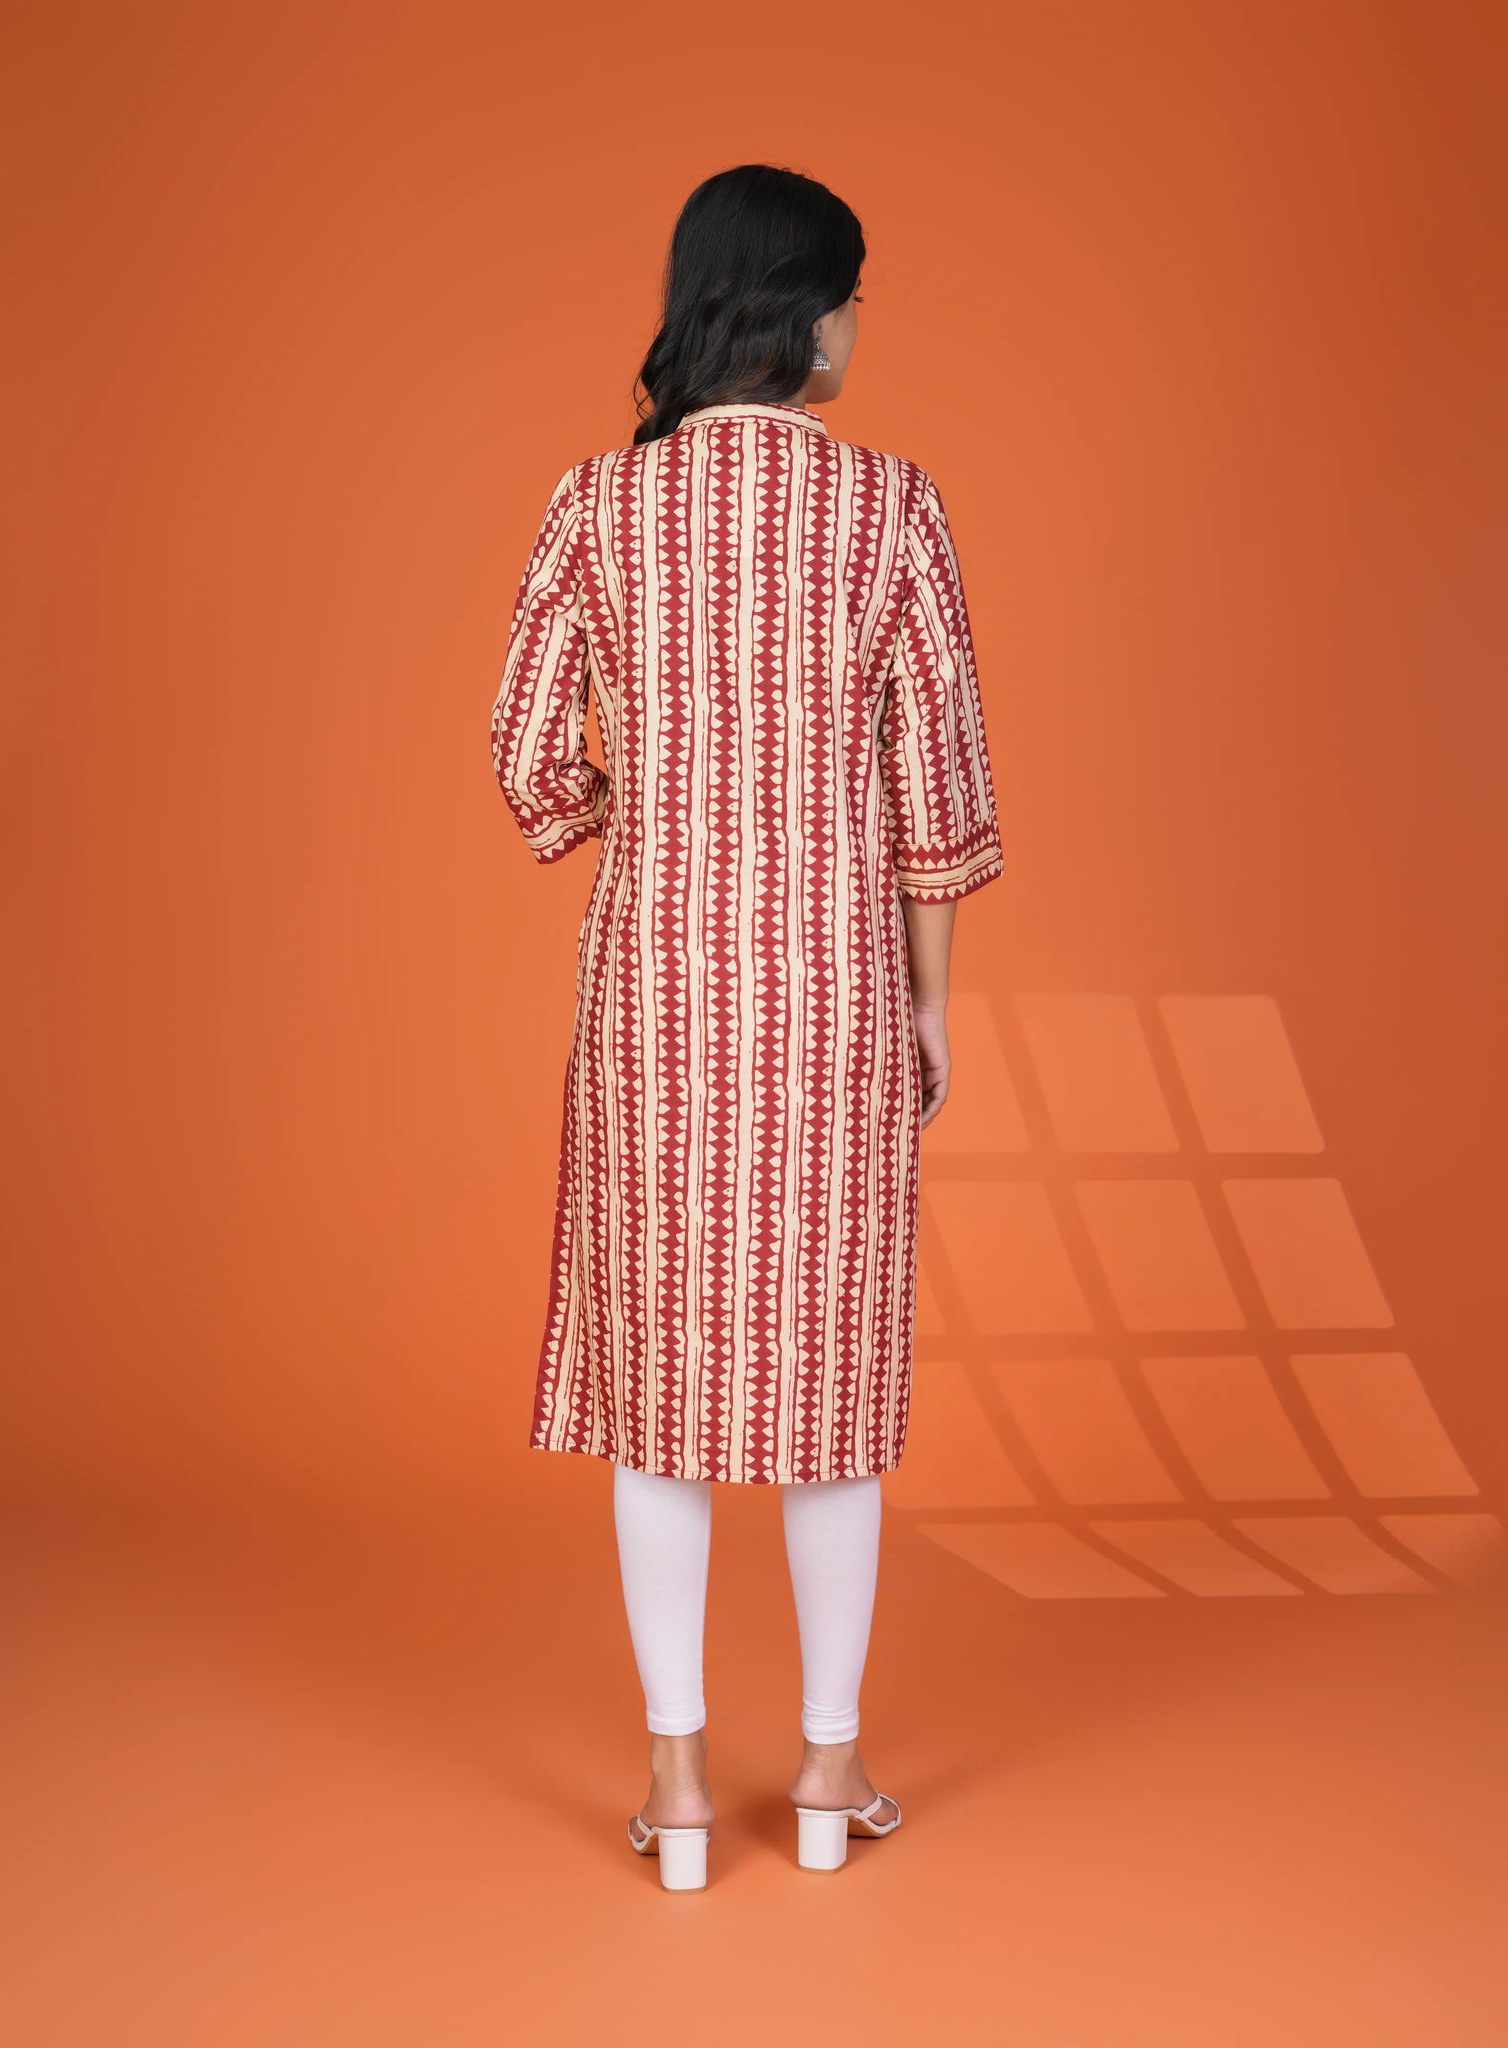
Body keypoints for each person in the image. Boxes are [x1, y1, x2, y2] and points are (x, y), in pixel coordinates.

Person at [490, 163, 1005, 1890]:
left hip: (654, 1004)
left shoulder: (596, 504)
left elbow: (524, 757)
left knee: (664, 1392)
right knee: (828, 1386)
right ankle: (830, 1779)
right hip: (836, 1001)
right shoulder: (893, 508)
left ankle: (682, 1789)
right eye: (851, 293)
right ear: (798, 310)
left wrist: (633, 813)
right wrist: (929, 1008)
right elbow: (939, 793)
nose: (858, 325)